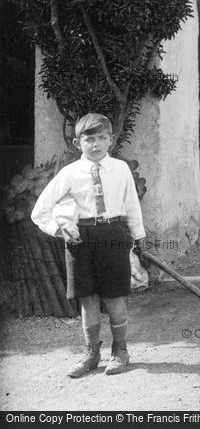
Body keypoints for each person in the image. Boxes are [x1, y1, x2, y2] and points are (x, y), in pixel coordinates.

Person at [31, 113, 146, 378]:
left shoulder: (120, 169)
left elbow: (131, 205)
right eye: (89, 139)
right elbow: (40, 211)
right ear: (76, 142)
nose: (95, 144)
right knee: (88, 298)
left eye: (101, 138)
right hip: (80, 239)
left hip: (113, 233)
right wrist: (60, 230)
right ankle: (91, 354)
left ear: (111, 139)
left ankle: (120, 351)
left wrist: (138, 236)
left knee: (114, 295)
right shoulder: (69, 174)